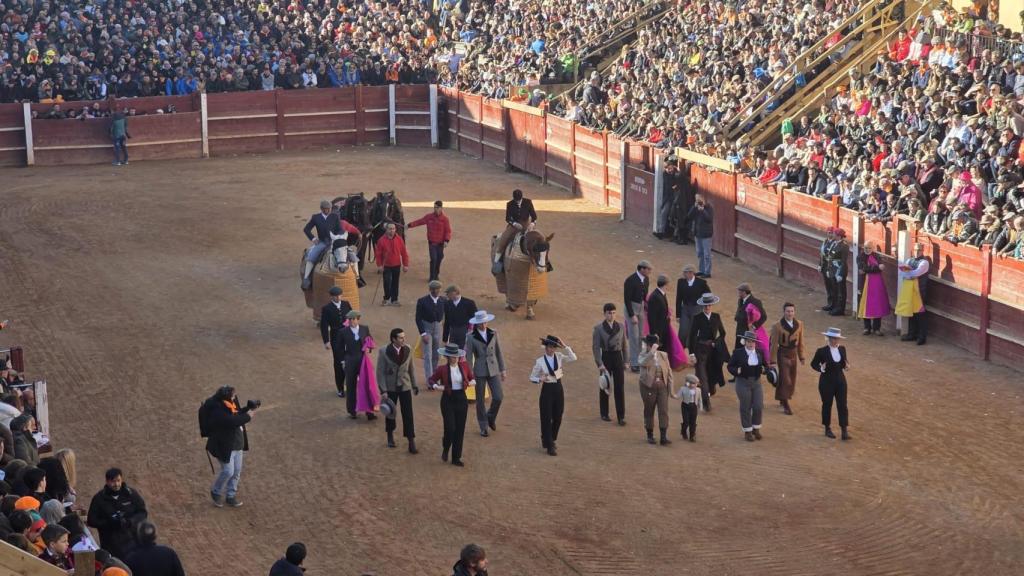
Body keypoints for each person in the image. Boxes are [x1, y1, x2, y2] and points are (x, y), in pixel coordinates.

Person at [202, 386, 257, 507]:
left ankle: (230, 495)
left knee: (236, 471)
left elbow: (236, 414)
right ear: (226, 397)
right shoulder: (219, 411)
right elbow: (233, 421)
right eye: (233, 395)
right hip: (224, 447)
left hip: (237, 445)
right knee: (228, 471)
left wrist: (248, 408)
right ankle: (216, 491)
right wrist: (249, 416)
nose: (235, 396)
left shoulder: (228, 404)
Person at [529, 335, 577, 456]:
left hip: (558, 388)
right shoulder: (540, 361)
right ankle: (550, 444)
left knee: (558, 416)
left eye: (553, 347)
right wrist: (540, 379)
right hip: (547, 390)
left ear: (555, 348)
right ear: (545, 347)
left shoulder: (559, 357)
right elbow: (532, 377)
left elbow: (573, 358)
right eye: (548, 347)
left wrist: (564, 345)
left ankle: (549, 438)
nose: (550, 349)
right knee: (546, 417)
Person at [428, 343, 475, 467]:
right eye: (452, 357)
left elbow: (472, 377)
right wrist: (436, 386)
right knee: (450, 428)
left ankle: (456, 457)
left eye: (456, 356)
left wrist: (472, 382)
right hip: (447, 400)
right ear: (447, 357)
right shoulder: (441, 369)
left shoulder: (464, 366)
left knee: (460, 429)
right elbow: (431, 379)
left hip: (461, 399)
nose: (455, 359)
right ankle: (446, 446)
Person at [86, 468, 148, 559]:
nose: (116, 484)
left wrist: (130, 521)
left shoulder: (131, 494)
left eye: (118, 481)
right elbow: (91, 520)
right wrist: (109, 523)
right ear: (107, 481)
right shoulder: (99, 499)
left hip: (132, 542)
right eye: (113, 481)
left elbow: (142, 513)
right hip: (110, 545)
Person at [376, 328, 419, 453]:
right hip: (390, 388)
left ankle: (411, 440)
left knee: (408, 414)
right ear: (393, 339)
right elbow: (380, 372)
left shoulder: (408, 349)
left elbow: (411, 368)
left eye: (403, 337)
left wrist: (415, 385)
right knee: (390, 412)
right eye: (400, 337)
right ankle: (390, 435)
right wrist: (383, 390)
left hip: (405, 386)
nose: (403, 339)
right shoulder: (384, 351)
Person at [302, 199, 361, 290]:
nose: (329, 210)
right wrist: (313, 239)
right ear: (322, 209)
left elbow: (339, 229)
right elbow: (306, 229)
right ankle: (306, 279)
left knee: (352, 255)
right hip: (323, 242)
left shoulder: (335, 216)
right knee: (311, 256)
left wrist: (340, 236)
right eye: (326, 209)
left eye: (330, 208)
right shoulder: (316, 217)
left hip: (335, 240)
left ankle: (357, 278)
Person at [465, 311, 506, 437]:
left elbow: (498, 352)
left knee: (498, 396)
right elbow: (468, 357)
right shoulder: (471, 337)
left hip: (493, 369)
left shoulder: (493, 333)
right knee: (480, 400)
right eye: (480, 323)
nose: (483, 325)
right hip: (480, 370)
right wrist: (469, 375)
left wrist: (503, 369)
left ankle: (490, 417)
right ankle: (483, 426)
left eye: (484, 322)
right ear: (477, 324)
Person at [686, 293, 728, 411]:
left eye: (709, 305)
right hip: (700, 350)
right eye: (705, 305)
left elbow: (723, 333)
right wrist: (692, 353)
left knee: (712, 373)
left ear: (712, 305)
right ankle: (706, 403)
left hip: (713, 351)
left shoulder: (716, 316)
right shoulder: (697, 317)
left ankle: (710, 390)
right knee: (702, 376)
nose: (707, 307)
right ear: (702, 306)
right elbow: (692, 335)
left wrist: (716, 341)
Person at [727, 331, 769, 442]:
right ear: (745, 342)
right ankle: (748, 431)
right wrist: (737, 371)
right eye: (749, 342)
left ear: (756, 343)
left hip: (756, 383)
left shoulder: (759, 352)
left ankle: (756, 428)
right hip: (743, 382)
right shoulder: (738, 353)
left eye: (753, 342)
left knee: (758, 406)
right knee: (745, 406)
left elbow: (765, 365)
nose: (751, 344)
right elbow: (730, 366)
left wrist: (765, 370)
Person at [810, 327, 851, 440]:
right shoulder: (821, 351)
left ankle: (844, 430)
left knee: (842, 404)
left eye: (837, 338)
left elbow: (843, 363)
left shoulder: (842, 349)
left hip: (841, 381)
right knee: (827, 404)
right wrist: (821, 368)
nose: (836, 341)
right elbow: (813, 364)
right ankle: (827, 428)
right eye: (833, 338)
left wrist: (847, 366)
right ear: (828, 338)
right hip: (826, 382)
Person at [592, 303, 627, 425]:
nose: (611, 315)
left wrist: (626, 361)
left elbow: (624, 345)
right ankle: (604, 413)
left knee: (619, 387)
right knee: (605, 385)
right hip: (606, 357)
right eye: (609, 313)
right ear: (604, 314)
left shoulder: (621, 327)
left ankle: (621, 416)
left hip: (618, 357)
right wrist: (599, 363)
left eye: (613, 313)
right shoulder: (599, 328)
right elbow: (596, 348)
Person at [768, 303, 805, 415]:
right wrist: (772, 361)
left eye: (792, 311)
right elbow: (773, 344)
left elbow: (801, 342)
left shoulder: (799, 324)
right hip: (782, 353)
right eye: (788, 311)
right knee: (786, 379)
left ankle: (781, 397)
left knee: (792, 379)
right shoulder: (777, 326)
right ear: (784, 312)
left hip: (793, 353)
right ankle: (785, 403)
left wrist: (801, 356)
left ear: (794, 312)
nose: (790, 313)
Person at [337, 310, 375, 420]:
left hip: (363, 359)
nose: (351, 321)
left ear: (358, 319)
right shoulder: (343, 332)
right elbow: (339, 348)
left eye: (353, 319)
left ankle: (369, 412)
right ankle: (352, 410)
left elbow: (370, 340)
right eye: (350, 319)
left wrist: (369, 348)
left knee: (367, 384)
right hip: (350, 360)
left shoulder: (364, 328)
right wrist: (343, 360)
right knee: (351, 385)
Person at [638, 334, 673, 446]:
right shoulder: (643, 355)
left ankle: (663, 436)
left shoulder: (663, 355)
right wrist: (651, 353)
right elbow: (643, 363)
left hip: (662, 386)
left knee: (663, 410)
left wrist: (671, 389)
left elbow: (669, 373)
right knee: (649, 410)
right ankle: (650, 434)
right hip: (648, 387)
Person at [407, 200, 452, 282]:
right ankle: (432, 277)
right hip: (432, 243)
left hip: (440, 244)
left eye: (437, 208)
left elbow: (448, 231)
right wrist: (409, 225)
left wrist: (446, 240)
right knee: (433, 259)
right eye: (434, 207)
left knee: (439, 258)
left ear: (441, 208)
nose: (435, 209)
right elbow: (419, 222)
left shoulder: (445, 219)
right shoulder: (429, 217)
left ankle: (436, 274)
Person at [321, 286, 352, 398]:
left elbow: (352, 319)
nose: (338, 297)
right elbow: (324, 326)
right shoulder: (327, 308)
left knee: (350, 360)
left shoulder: (346, 304)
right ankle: (340, 388)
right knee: (338, 363)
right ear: (332, 297)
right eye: (336, 296)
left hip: (348, 337)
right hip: (336, 339)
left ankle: (350, 385)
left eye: (340, 295)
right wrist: (326, 341)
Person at [897, 242, 930, 345]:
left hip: (919, 291)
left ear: (922, 251)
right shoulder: (909, 260)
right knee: (911, 312)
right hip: (910, 290)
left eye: (919, 250)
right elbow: (902, 273)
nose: (916, 252)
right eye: (915, 250)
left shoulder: (924, 262)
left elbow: (916, 273)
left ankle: (921, 337)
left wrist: (909, 274)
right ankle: (912, 334)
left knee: (920, 314)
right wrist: (909, 274)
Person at [857, 241, 891, 335]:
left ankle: (877, 328)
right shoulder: (860, 256)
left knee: (877, 304)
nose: (867, 250)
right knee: (865, 304)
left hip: (877, 285)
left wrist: (869, 268)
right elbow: (863, 268)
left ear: (873, 248)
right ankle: (867, 327)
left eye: (869, 248)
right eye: (865, 248)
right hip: (865, 283)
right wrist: (876, 267)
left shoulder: (877, 256)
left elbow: (867, 269)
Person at [623, 260, 652, 372]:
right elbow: (627, 299)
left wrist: (645, 308)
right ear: (642, 269)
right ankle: (634, 363)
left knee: (640, 336)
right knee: (634, 337)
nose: (649, 271)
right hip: (632, 309)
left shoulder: (646, 279)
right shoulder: (630, 280)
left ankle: (639, 360)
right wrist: (632, 315)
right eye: (648, 269)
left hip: (640, 307)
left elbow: (644, 296)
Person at [495, 189, 538, 262]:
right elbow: (507, 218)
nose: (517, 201)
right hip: (514, 225)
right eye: (516, 200)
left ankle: (543, 261)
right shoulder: (510, 204)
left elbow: (534, 216)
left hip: (526, 224)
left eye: (519, 200)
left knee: (536, 239)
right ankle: (497, 258)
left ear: (521, 197)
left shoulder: (528, 202)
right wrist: (514, 223)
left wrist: (532, 224)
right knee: (505, 237)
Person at [732, 283, 766, 374]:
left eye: (739, 291)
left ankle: (752, 372)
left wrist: (754, 326)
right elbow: (740, 311)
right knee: (738, 352)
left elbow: (764, 317)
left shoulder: (755, 302)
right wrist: (737, 316)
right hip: (740, 331)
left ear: (744, 292)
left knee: (750, 352)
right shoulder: (740, 300)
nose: (738, 292)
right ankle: (737, 374)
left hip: (749, 333)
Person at [415, 280, 446, 379]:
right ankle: (430, 379)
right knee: (428, 355)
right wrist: (423, 333)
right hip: (427, 328)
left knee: (437, 354)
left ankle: (435, 377)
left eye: (438, 289)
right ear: (430, 290)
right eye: (435, 289)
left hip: (438, 328)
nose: (437, 291)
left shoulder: (443, 300)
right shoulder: (422, 301)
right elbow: (418, 318)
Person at [375, 223, 410, 306]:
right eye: (390, 229)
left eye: (393, 229)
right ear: (386, 230)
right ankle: (387, 298)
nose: (392, 230)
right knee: (387, 282)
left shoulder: (399, 239)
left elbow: (404, 253)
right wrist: (379, 265)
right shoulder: (381, 240)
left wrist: (405, 265)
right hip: (386, 266)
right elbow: (378, 254)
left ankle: (394, 299)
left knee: (395, 283)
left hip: (396, 265)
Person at [675, 264, 711, 344]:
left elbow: (708, 295)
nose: (683, 274)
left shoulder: (701, 283)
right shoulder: (680, 282)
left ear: (691, 273)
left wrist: (706, 306)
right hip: (685, 308)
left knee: (693, 330)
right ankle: (681, 348)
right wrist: (678, 315)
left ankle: (692, 348)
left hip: (697, 309)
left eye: (685, 272)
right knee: (683, 330)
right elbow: (679, 298)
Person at [686, 194, 715, 278]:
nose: (698, 201)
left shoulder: (709, 208)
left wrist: (702, 210)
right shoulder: (696, 208)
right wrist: (694, 207)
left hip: (706, 235)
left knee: (706, 254)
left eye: (699, 199)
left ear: (703, 199)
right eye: (696, 199)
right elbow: (689, 216)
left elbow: (709, 219)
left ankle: (707, 272)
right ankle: (701, 270)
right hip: (698, 234)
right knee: (699, 253)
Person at [672, 374, 702, 441]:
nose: (692, 385)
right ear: (687, 383)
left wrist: (700, 407)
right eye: (690, 383)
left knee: (693, 422)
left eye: (694, 383)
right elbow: (678, 396)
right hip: (685, 406)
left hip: (694, 406)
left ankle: (692, 435)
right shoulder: (683, 389)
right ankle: (683, 431)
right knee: (686, 421)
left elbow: (700, 399)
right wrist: (673, 395)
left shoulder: (698, 390)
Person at [827, 228, 850, 315]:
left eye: (835, 234)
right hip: (833, 269)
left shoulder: (844, 246)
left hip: (839, 270)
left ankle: (840, 309)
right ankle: (835, 306)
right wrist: (829, 269)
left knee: (841, 290)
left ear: (839, 236)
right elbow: (830, 257)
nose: (833, 235)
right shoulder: (834, 243)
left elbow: (843, 261)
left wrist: (840, 273)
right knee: (835, 289)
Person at [819, 227, 837, 311]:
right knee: (828, 286)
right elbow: (821, 254)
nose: (830, 234)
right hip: (825, 266)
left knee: (833, 286)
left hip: (831, 267)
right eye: (829, 232)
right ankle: (830, 303)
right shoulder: (825, 241)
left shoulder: (835, 243)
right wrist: (820, 264)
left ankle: (833, 305)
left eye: (831, 233)